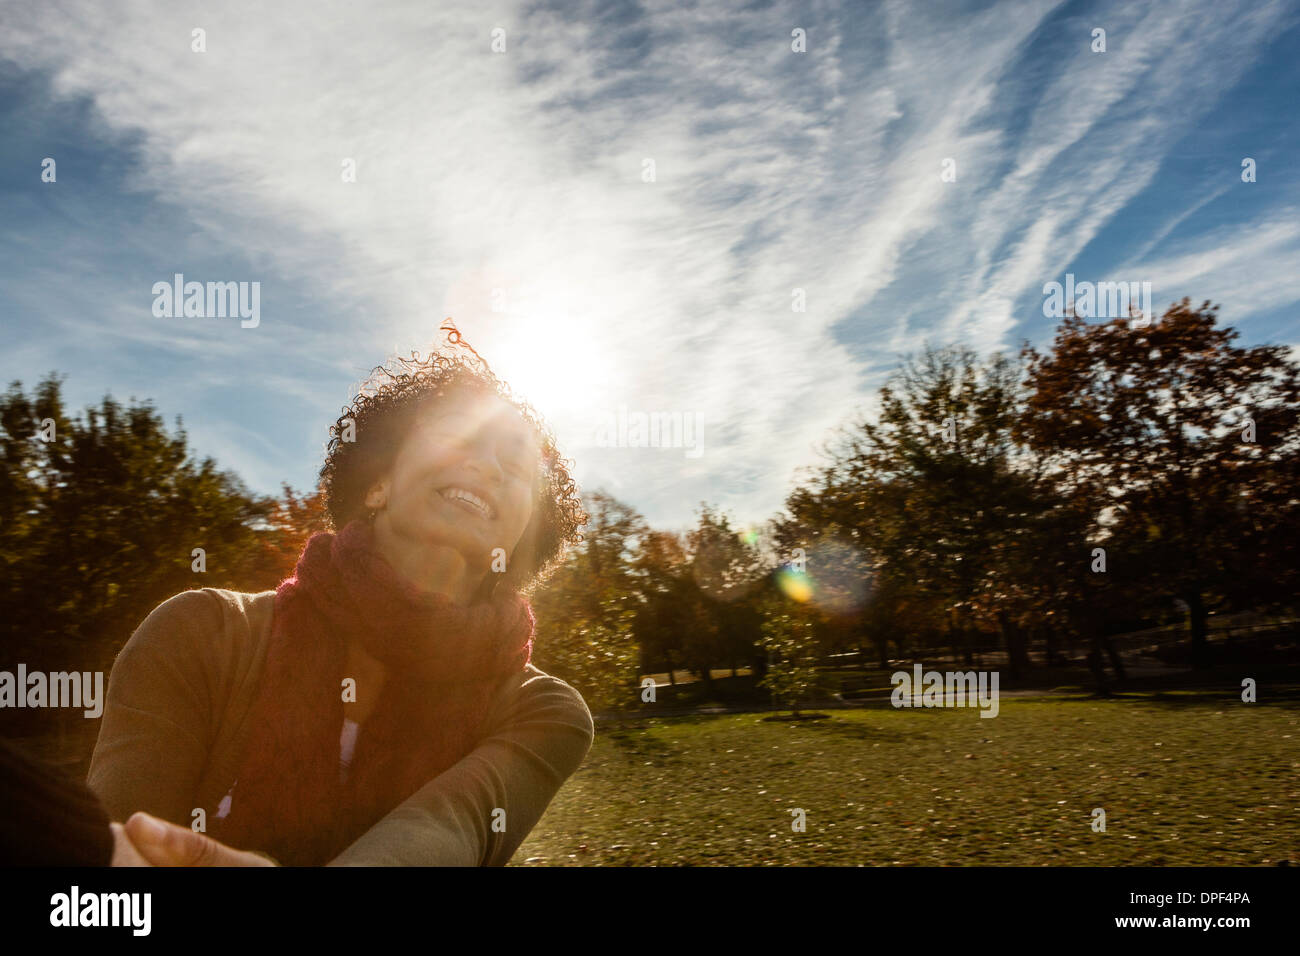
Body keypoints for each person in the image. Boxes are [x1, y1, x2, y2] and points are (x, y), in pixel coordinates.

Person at [86, 322, 593, 866]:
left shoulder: (544, 711)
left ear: (521, 534)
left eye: (515, 466)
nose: (489, 466)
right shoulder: (198, 632)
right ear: (378, 483)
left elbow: (447, 828)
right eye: (461, 438)